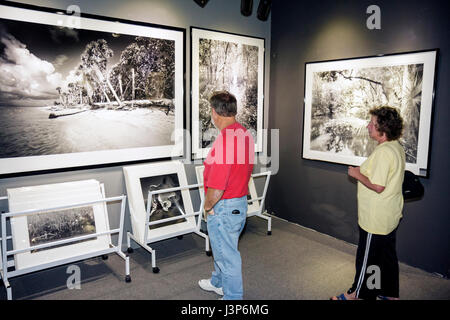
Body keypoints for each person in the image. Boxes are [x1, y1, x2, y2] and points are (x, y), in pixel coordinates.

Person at [331, 106, 405, 300]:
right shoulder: (395, 147)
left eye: (372, 124)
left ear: (384, 129)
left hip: (376, 218)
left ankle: (356, 294)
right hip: (389, 215)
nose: (367, 126)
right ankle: (389, 294)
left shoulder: (384, 152)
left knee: (367, 258)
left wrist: (357, 174)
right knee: (386, 257)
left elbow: (378, 186)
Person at [198, 91, 254, 300]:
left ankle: (233, 297)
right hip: (238, 202)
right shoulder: (243, 133)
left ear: (214, 112)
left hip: (224, 205)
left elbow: (218, 185)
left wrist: (208, 206)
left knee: (227, 254)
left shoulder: (225, 140)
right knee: (222, 247)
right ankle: (218, 282)